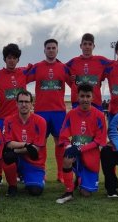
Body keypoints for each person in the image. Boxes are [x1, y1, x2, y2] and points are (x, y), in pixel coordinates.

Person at [26, 38, 71, 183]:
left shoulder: (64, 68)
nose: (51, 50)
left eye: (53, 48)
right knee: (40, 143)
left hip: (58, 111)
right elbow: (22, 78)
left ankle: (61, 174)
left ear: (57, 50)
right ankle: (41, 172)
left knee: (60, 142)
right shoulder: (37, 67)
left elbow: (75, 83)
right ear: (44, 50)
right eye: (48, 48)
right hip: (41, 112)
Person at [0, 43, 31, 185]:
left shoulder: (24, 72)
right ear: (4, 59)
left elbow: (40, 67)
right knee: (0, 147)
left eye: (14, 58)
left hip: (21, 120)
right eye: (9, 58)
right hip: (3, 119)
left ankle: (21, 174)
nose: (11, 60)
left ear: (18, 59)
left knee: (21, 147)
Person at [56, 83, 107, 203]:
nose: (85, 99)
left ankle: (79, 179)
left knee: (86, 193)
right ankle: (69, 192)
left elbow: (99, 141)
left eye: (88, 96)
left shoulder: (99, 115)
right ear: (77, 97)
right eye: (82, 96)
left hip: (90, 155)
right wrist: (69, 146)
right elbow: (63, 135)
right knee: (67, 157)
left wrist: (80, 149)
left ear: (92, 97)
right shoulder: (71, 114)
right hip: (75, 152)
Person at [2, 90, 47, 197]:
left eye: (27, 102)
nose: (24, 104)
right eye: (21, 102)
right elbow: (8, 143)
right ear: (16, 103)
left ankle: (35, 178)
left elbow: (35, 149)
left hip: (34, 163)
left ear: (32, 104)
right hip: (18, 160)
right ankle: (12, 186)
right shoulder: (8, 120)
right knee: (6, 155)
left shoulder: (40, 121)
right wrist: (26, 145)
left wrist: (16, 150)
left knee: (35, 191)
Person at [65, 33, 112, 109]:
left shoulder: (101, 60)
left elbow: (116, 64)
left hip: (95, 102)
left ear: (94, 46)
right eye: (85, 44)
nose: (87, 46)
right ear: (81, 46)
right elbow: (60, 69)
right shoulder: (73, 62)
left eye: (90, 44)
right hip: (78, 102)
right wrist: (70, 80)